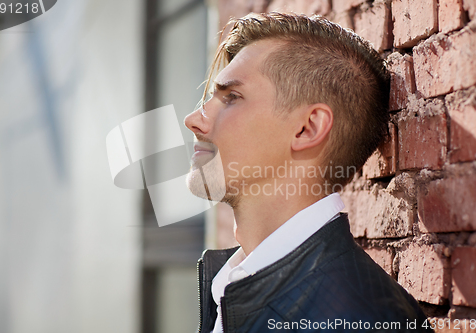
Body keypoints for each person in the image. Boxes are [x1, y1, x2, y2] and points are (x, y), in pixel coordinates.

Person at [184, 12, 432, 333]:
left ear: (307, 129)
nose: (194, 119)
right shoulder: (234, 284)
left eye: (231, 97)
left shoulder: (360, 321)